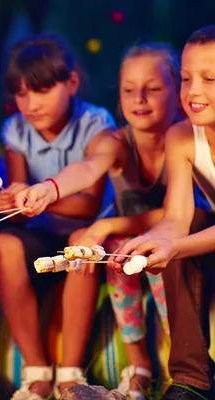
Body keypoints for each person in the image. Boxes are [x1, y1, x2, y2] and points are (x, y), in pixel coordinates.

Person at [12, 43, 181, 399]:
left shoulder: (184, 140)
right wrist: (50, 188)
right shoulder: (116, 141)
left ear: (178, 93)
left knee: (155, 255)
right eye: (129, 90)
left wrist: (104, 226)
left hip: (180, 238)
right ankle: (138, 369)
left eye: (152, 89)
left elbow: (175, 215)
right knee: (117, 256)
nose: (140, 99)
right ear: (119, 96)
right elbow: (89, 168)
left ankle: (178, 368)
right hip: (130, 241)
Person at [0, 35, 117, 400]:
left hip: (88, 229)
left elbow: (89, 205)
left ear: (72, 83)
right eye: (21, 93)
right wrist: (10, 201)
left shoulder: (96, 122)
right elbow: (19, 197)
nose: (31, 104)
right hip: (41, 231)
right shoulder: (15, 130)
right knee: (5, 243)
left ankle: (70, 374)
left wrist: (36, 196)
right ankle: (36, 372)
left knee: (81, 243)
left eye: (42, 90)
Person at [111, 25, 215, 400]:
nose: (195, 91)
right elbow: (177, 217)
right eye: (187, 79)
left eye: (210, 78)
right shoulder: (182, 136)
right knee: (182, 234)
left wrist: (175, 246)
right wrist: (151, 241)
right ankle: (192, 381)